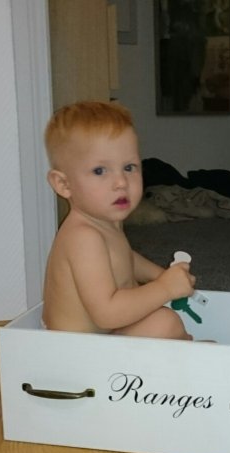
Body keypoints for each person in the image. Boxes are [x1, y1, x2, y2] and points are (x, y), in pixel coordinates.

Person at [41, 101, 195, 340]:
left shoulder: (103, 222)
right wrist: (164, 288)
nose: (121, 182)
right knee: (165, 324)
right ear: (64, 184)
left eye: (129, 167)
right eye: (100, 171)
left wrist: (160, 275)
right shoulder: (83, 237)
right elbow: (108, 314)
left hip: (102, 337)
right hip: (76, 350)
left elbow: (124, 258)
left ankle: (187, 351)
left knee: (159, 318)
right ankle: (190, 352)